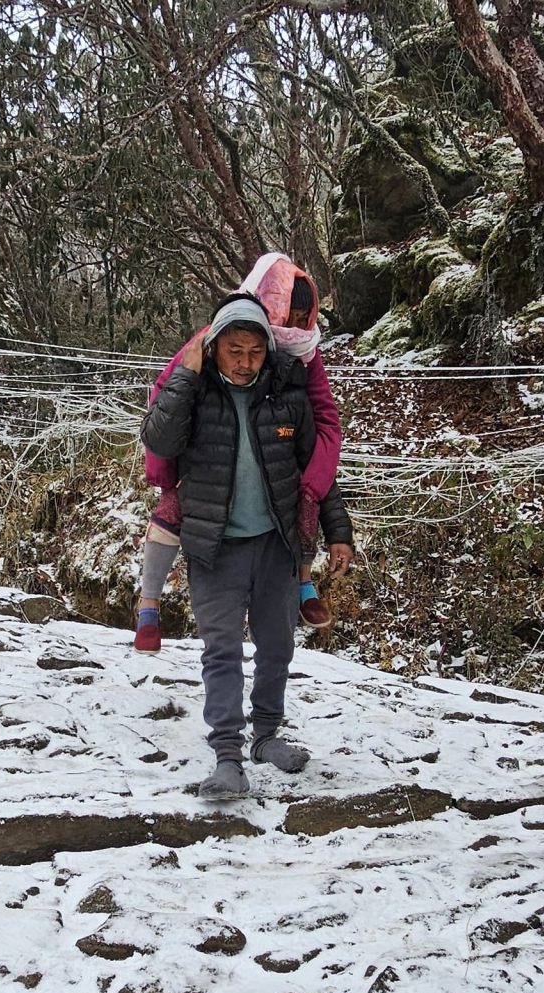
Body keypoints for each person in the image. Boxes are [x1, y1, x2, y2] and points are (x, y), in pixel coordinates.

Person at [141, 292, 355, 799]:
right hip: (214, 547)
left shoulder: (287, 397)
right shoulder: (195, 394)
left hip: (276, 545)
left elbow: (316, 471)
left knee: (277, 646)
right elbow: (159, 440)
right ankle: (228, 757)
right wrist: (187, 374)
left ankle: (266, 736)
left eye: (255, 352)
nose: (244, 361)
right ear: (213, 348)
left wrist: (338, 532)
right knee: (222, 651)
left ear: (268, 352)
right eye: (233, 350)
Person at [134, 252, 341, 653]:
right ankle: (149, 604)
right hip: (208, 466)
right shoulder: (218, 338)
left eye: (305, 318)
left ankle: (304, 584)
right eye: (290, 315)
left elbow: (324, 417)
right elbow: (166, 396)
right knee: (171, 513)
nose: (297, 327)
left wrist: (315, 477)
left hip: (276, 460)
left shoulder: (305, 352)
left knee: (299, 502)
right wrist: (164, 472)